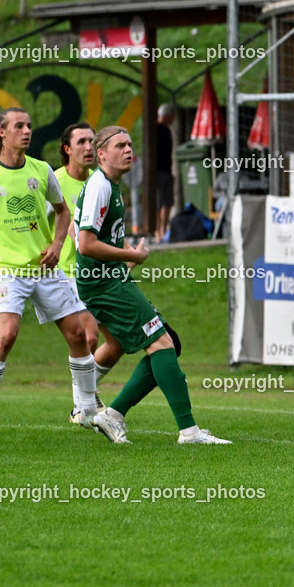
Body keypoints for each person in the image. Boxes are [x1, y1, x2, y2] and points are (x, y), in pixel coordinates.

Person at [76, 126, 230, 445]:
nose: (129, 150)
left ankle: (113, 414)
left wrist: (125, 254)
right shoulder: (99, 186)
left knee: (168, 342)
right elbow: (86, 244)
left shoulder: (111, 185)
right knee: (161, 343)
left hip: (111, 280)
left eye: (130, 144)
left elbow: (99, 238)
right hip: (103, 285)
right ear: (101, 154)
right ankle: (188, 431)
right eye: (120, 145)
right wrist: (131, 255)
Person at [0, 107, 98, 436]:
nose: (27, 131)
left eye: (29, 125)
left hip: (45, 269)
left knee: (79, 335)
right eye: (19, 126)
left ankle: (88, 411)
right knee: (6, 336)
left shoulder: (41, 170)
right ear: (1, 132)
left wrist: (57, 244)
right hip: (9, 272)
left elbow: (63, 212)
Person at [54, 122, 106, 422]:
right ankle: (82, 403)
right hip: (65, 272)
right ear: (67, 149)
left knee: (107, 341)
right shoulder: (53, 182)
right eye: (82, 142)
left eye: (92, 141)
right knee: (88, 335)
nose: (89, 148)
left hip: (96, 272)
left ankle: (86, 394)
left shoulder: (99, 181)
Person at [155, 105, 175, 243]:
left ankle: (164, 230)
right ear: (167, 115)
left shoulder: (167, 130)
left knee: (167, 201)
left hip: (167, 170)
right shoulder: (155, 130)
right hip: (157, 171)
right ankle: (158, 231)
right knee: (159, 202)